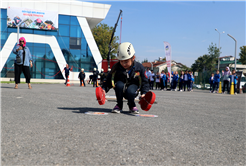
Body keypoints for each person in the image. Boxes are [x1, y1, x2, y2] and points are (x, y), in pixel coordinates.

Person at [102, 42, 149, 114]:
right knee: (119, 85)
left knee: (130, 90)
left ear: (133, 58)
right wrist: (104, 89)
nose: (124, 64)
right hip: (120, 88)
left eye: (126, 61)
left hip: (133, 88)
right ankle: (119, 105)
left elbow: (145, 81)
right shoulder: (116, 67)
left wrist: (144, 93)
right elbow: (109, 79)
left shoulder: (139, 67)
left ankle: (132, 105)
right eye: (121, 61)